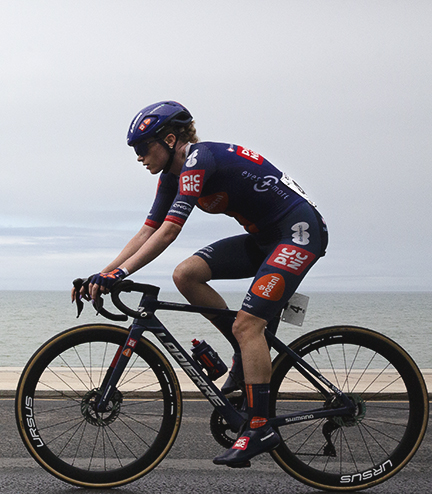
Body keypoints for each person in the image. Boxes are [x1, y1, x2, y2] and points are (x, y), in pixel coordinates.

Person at [75, 100, 328, 467]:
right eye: (136, 150)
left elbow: (168, 233)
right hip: (263, 239)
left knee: (248, 325)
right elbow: (147, 231)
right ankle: (244, 352)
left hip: (297, 234)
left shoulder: (197, 159)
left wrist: (119, 275)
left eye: (144, 147)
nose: (139, 156)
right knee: (186, 275)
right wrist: (105, 272)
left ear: (171, 139)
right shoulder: (170, 176)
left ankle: (260, 427)